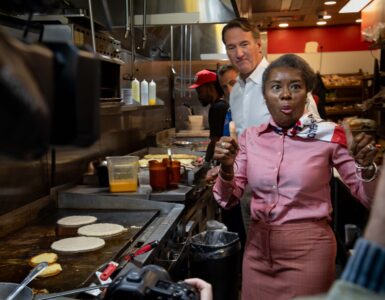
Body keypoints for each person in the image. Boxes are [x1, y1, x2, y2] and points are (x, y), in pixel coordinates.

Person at [212, 54, 379, 300]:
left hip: (310, 253)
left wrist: (367, 168)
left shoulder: (328, 134)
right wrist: (226, 169)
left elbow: (369, 199)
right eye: (276, 87)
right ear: (265, 95)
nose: (286, 94)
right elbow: (228, 199)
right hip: (257, 252)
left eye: (295, 86)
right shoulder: (250, 138)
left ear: (307, 94)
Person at [189, 69, 228, 162]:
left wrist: (206, 162)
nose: (198, 96)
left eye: (199, 91)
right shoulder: (224, 104)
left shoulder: (217, 108)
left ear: (210, 87)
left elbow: (215, 141)